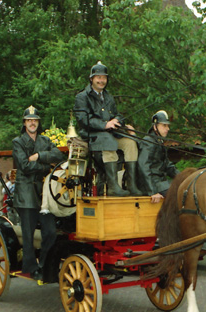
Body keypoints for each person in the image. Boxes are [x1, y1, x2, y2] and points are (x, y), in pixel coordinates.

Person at [74, 61, 143, 197]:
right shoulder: (82, 97)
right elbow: (83, 119)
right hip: (92, 135)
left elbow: (117, 114)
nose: (101, 80)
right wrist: (104, 125)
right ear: (91, 79)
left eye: (104, 77)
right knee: (108, 141)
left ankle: (132, 185)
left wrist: (118, 121)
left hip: (111, 134)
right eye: (98, 77)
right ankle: (112, 187)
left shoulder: (109, 97)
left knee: (130, 143)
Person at [12, 106, 64, 280]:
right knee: (28, 234)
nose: (32, 123)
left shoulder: (45, 140)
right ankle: (30, 267)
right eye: (29, 120)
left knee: (50, 231)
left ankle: (44, 265)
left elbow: (58, 155)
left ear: (38, 122)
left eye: (35, 120)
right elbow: (24, 167)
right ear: (24, 123)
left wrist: (38, 156)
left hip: (44, 194)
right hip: (26, 193)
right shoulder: (18, 142)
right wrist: (45, 166)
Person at [136, 110, 180, 203]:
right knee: (178, 192)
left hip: (160, 183)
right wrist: (152, 191)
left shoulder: (159, 142)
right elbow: (143, 166)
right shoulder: (149, 142)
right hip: (152, 185)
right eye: (164, 125)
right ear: (155, 127)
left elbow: (168, 165)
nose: (167, 128)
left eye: (167, 126)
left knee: (184, 187)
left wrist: (183, 177)